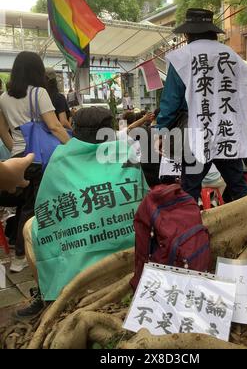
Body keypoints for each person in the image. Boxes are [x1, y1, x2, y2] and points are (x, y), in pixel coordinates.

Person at [15, 106, 148, 320]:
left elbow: (46, 212)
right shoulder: (128, 154)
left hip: (78, 272)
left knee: (31, 226)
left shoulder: (60, 158)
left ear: (74, 130)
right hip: (130, 258)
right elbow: (144, 199)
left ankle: (47, 295)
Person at [157, 8, 247, 202]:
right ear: (213, 31)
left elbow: (171, 101)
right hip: (228, 130)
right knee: (238, 184)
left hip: (196, 133)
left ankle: (191, 230)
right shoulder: (233, 57)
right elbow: (243, 96)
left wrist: (161, 130)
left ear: (187, 33)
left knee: (190, 187)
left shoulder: (182, 57)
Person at [0, 51, 70, 272]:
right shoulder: (39, 93)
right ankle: (21, 257)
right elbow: (55, 126)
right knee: (33, 206)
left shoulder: (3, 97)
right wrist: (72, 147)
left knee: (24, 204)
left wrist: (15, 148)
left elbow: (2, 129)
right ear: (36, 71)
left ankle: (22, 249)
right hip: (38, 159)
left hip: (17, 158)